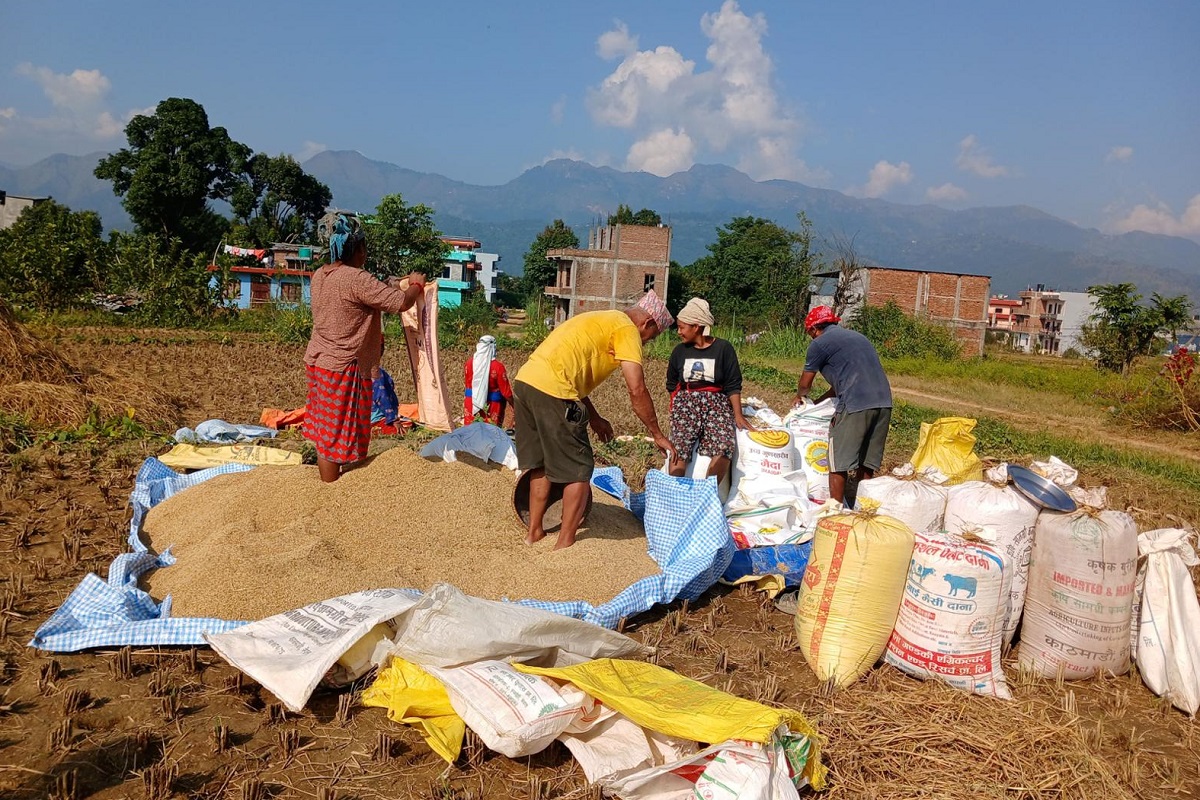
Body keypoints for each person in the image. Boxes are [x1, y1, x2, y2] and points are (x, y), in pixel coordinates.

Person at [514, 291, 675, 549]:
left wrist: (595, 418)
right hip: (554, 391)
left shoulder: (604, 319)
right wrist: (656, 433)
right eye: (651, 337)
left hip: (526, 384)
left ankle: (534, 533)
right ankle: (565, 544)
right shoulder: (627, 330)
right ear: (647, 323)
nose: (647, 344)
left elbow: (572, 371)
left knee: (541, 465)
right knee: (579, 469)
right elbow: (637, 389)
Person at [304, 214, 427, 482]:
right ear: (358, 249)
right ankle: (329, 489)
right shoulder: (356, 278)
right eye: (364, 247)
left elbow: (371, 296)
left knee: (327, 429)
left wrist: (391, 284)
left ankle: (336, 484)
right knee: (334, 434)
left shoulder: (320, 275)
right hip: (342, 366)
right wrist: (416, 285)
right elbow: (399, 303)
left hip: (320, 360)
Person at [793, 306, 892, 506]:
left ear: (814, 329)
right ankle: (864, 509)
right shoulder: (858, 337)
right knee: (866, 462)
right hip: (884, 402)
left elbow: (805, 384)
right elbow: (840, 385)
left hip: (855, 404)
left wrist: (800, 398)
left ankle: (835, 511)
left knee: (838, 460)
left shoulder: (819, 344)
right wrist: (817, 403)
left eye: (809, 333)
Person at [665, 298, 749, 484]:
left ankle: (706, 492)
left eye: (682, 327)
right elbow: (671, 383)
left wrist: (737, 415)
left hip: (717, 403)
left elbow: (733, 384)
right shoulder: (679, 351)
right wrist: (680, 407)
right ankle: (675, 492)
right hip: (686, 403)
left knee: (725, 444)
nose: (679, 332)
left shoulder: (723, 349)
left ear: (696, 327)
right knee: (680, 445)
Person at [464, 334, 514, 427]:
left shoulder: (469, 363)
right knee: (490, 435)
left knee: (470, 433)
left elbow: (467, 384)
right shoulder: (498, 367)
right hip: (491, 406)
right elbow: (506, 392)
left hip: (471, 403)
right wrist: (514, 405)